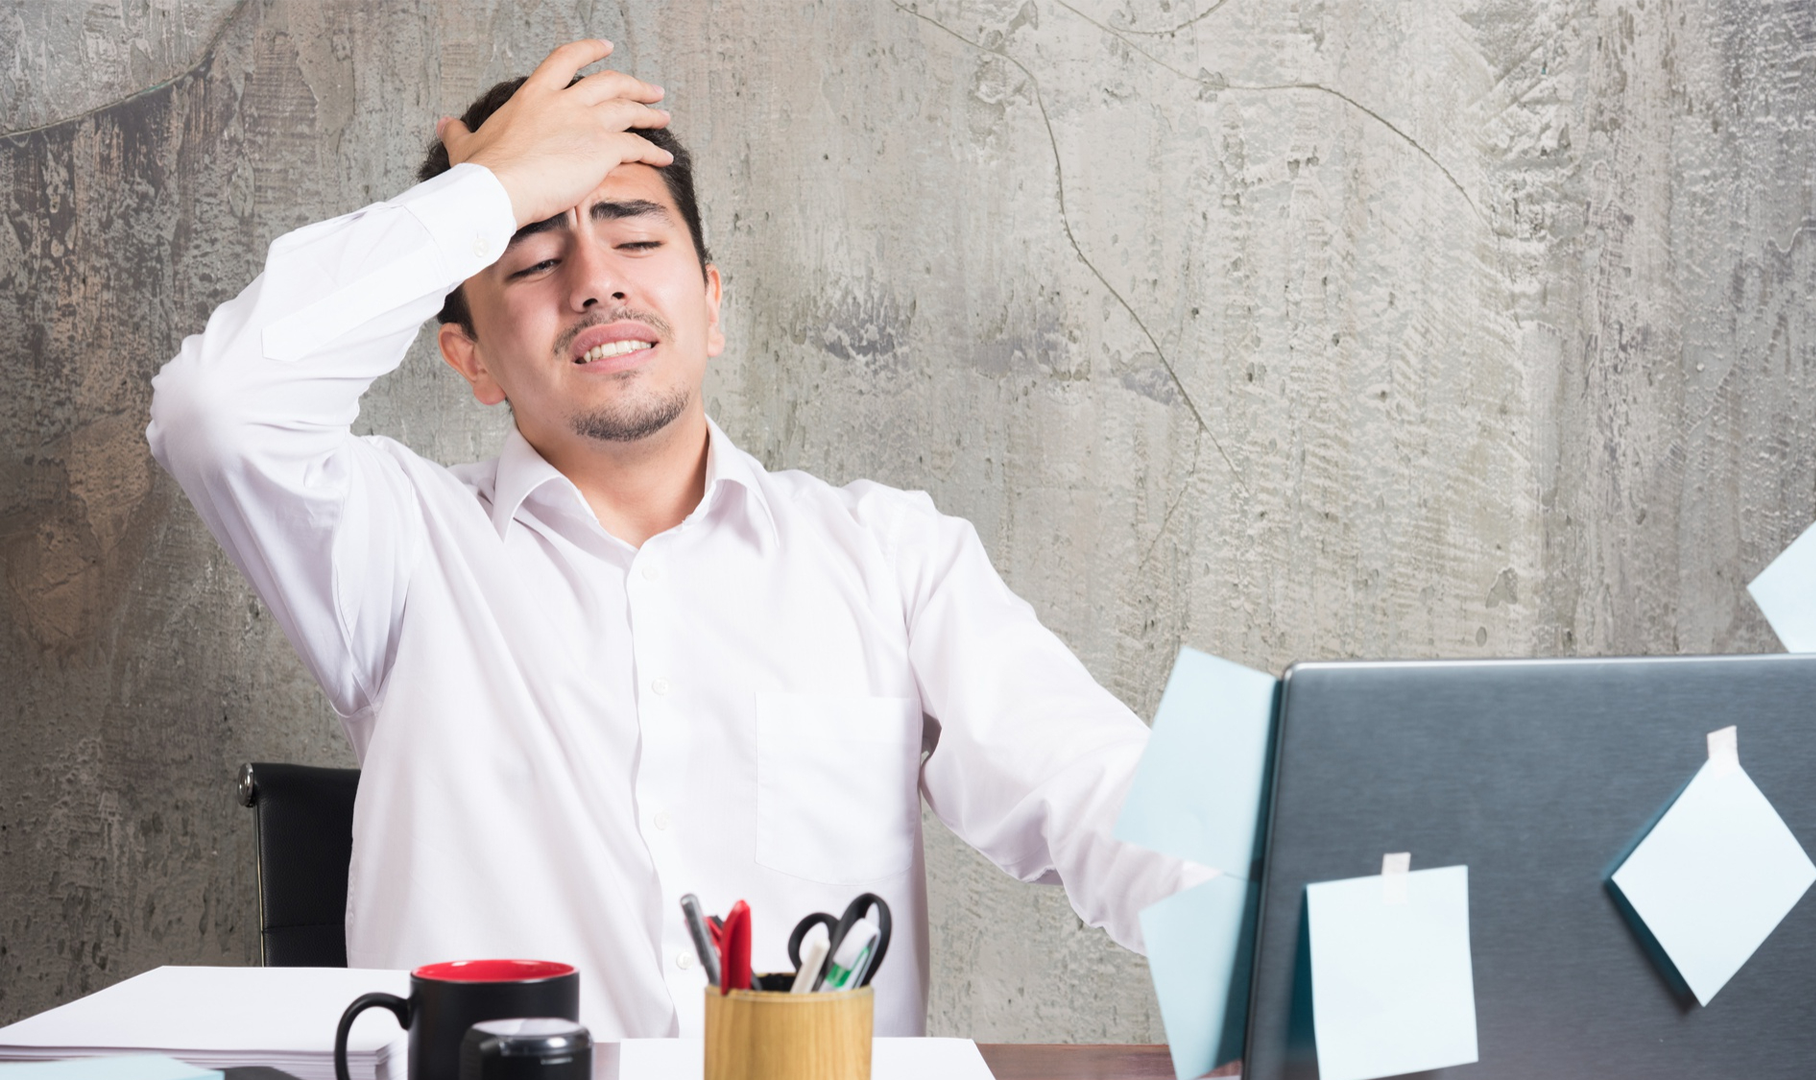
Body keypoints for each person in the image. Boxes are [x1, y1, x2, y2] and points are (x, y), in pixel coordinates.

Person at [148, 39, 1197, 1039]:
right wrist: (483, 196)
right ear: (469, 361)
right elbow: (216, 410)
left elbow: (1109, 799)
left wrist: (1299, 965)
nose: (596, 277)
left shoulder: (890, 556)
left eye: (638, 236)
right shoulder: (398, 551)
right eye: (531, 257)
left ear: (711, 303)